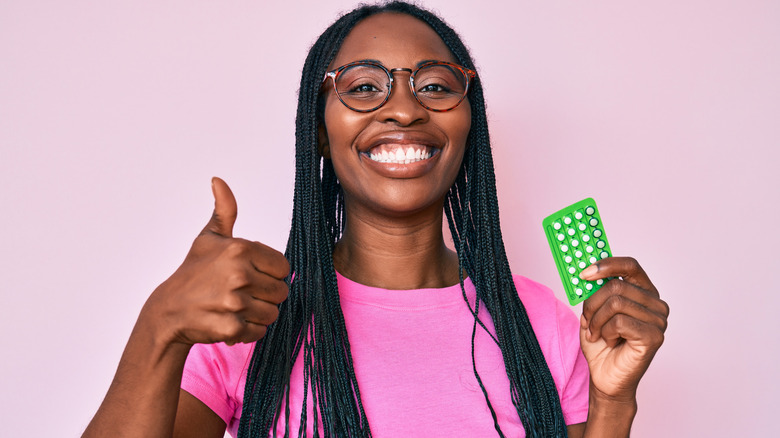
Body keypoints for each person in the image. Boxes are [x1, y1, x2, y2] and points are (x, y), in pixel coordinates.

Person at [84, 2, 669, 437]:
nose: (404, 108)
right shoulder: (248, 315)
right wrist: (161, 327)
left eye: (435, 86)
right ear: (319, 127)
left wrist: (613, 404)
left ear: (470, 126)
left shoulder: (542, 325)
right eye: (365, 87)